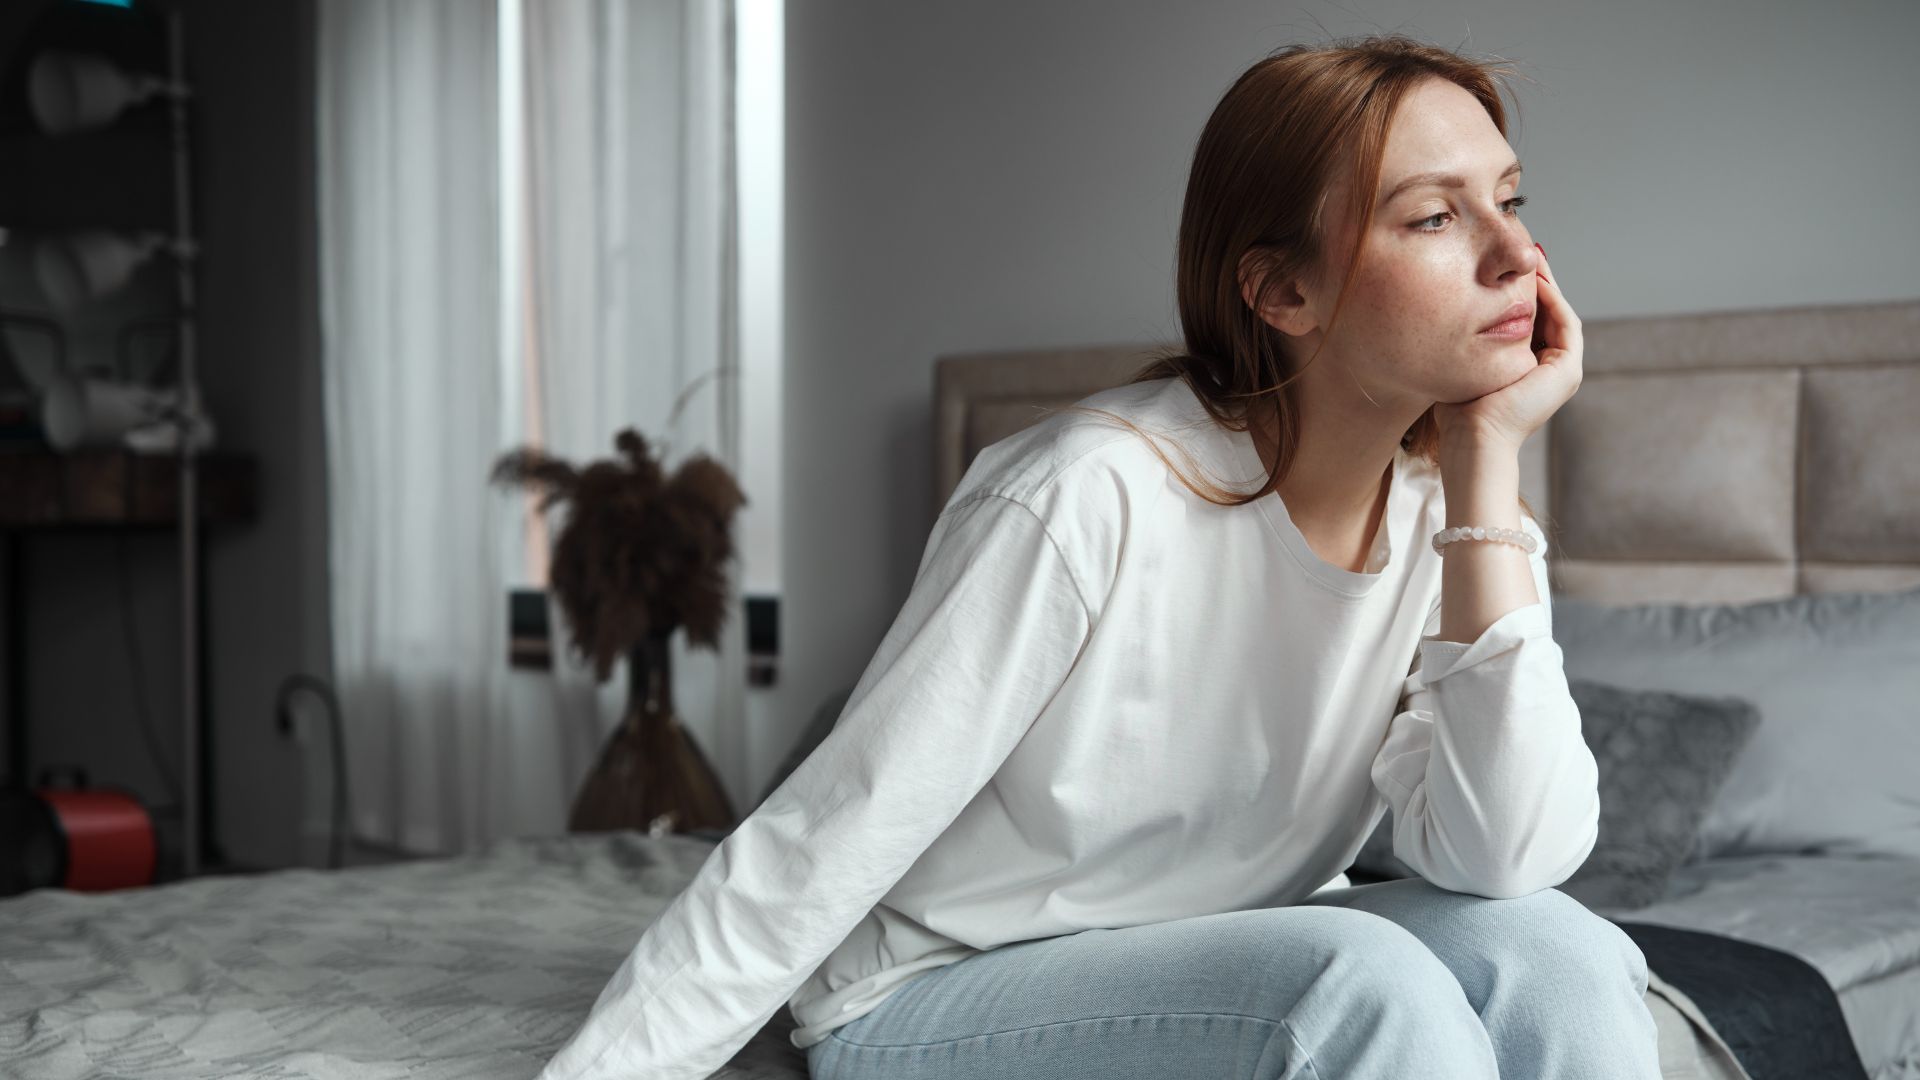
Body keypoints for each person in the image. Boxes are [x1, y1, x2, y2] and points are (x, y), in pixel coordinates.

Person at [537, 32, 1661, 1080]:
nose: (1517, 254)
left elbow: (1506, 854)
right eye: (1434, 218)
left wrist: (1484, 463)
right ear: (1281, 290)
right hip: (931, 994)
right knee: (1360, 983)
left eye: (1512, 200)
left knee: (1562, 951)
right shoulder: (1086, 491)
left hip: (1220, 950)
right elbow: (826, 831)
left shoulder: (1452, 519)